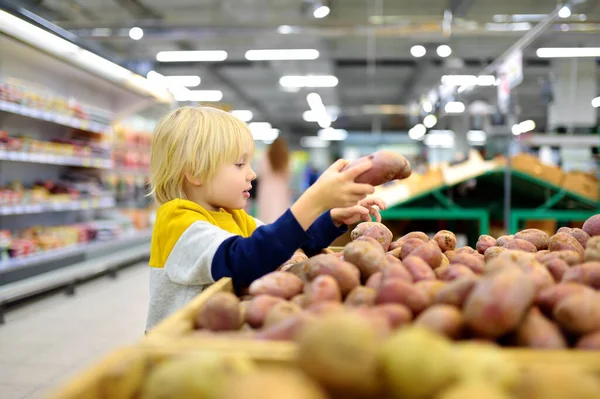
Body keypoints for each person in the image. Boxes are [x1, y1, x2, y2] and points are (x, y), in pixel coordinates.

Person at [146, 106, 386, 330]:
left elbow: (283, 243)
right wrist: (313, 199)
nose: (252, 173)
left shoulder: (234, 217)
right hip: (178, 345)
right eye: (240, 164)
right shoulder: (177, 221)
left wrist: (332, 218)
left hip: (214, 336)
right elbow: (248, 259)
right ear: (196, 173)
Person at [256, 136, 291, 223]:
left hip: (266, 189)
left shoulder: (265, 156)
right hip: (281, 189)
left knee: (266, 214)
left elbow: (260, 173)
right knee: (279, 212)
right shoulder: (286, 157)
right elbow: (288, 175)